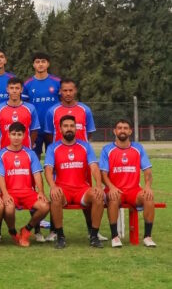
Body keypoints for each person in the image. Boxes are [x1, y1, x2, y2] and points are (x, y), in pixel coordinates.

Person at [44, 115, 105, 249]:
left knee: (98, 196)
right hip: (63, 189)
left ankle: (94, 236)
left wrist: (99, 186)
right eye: (66, 126)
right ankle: (60, 236)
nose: (69, 129)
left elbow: (94, 167)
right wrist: (53, 186)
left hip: (81, 189)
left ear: (76, 128)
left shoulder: (85, 146)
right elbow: (48, 169)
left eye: (72, 126)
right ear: (60, 129)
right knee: (55, 196)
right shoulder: (53, 148)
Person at [99, 119, 156, 248]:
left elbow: (147, 171)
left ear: (130, 131)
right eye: (119, 128)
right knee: (113, 198)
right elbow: (103, 174)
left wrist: (147, 186)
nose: (122, 130)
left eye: (125, 128)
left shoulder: (138, 148)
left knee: (149, 197)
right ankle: (115, 237)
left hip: (133, 190)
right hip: (115, 189)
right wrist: (111, 187)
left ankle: (147, 237)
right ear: (114, 131)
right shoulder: (107, 149)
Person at [0, 122, 50, 247]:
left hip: (27, 192)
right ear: (8, 135)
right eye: (13, 134)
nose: (16, 137)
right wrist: (5, 194)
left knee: (45, 206)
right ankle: (13, 231)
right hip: (10, 192)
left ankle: (27, 229)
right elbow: (0, 176)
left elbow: (37, 174)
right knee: (8, 209)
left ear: (24, 135)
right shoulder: (1, 154)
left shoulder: (30, 154)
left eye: (19, 134)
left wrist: (40, 191)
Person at [22, 52, 60, 156]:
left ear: (48, 64)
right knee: (33, 158)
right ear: (33, 65)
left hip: (53, 128)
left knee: (55, 159)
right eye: (37, 62)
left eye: (43, 61)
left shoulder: (57, 82)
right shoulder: (27, 84)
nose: (40, 64)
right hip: (35, 129)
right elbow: (24, 108)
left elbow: (63, 104)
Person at [0, 77, 40, 149]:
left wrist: (29, 147)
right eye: (11, 88)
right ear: (7, 89)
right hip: (5, 151)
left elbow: (34, 130)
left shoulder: (30, 108)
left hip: (25, 151)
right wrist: (1, 147)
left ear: (21, 90)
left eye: (17, 88)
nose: (14, 91)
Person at [43, 78, 95, 144]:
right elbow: (49, 134)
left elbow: (89, 132)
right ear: (60, 91)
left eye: (71, 90)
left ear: (75, 90)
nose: (68, 93)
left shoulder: (85, 110)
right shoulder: (52, 111)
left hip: (80, 151)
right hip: (60, 151)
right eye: (65, 90)